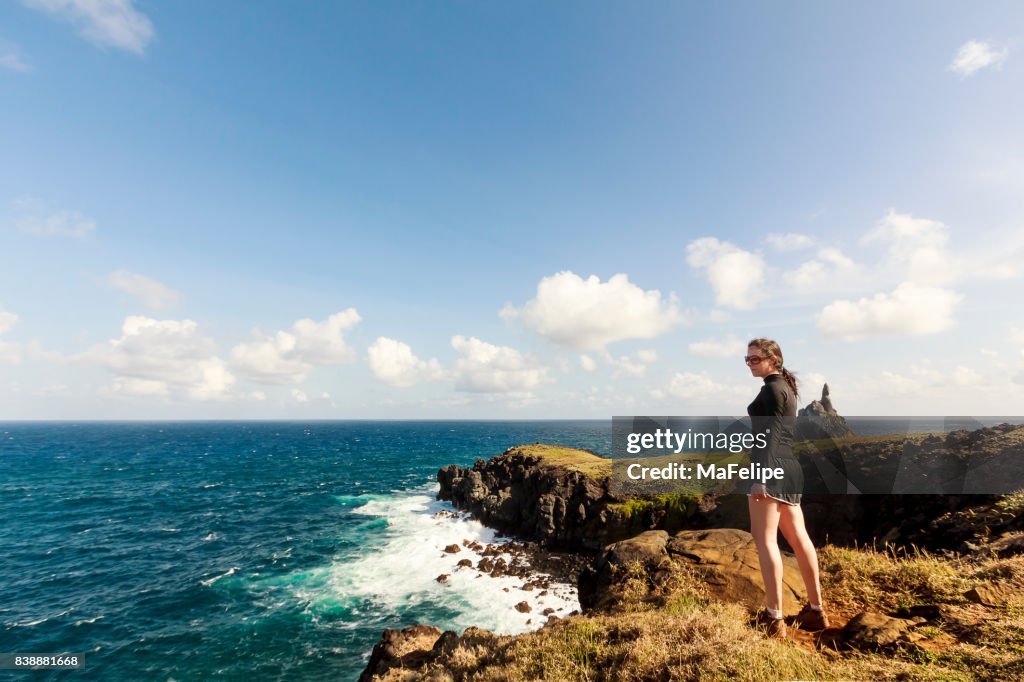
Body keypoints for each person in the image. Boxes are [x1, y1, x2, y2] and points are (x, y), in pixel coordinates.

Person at [744, 338, 829, 639]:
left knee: (766, 540)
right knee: (799, 538)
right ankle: (816, 610)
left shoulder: (770, 390)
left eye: (756, 359)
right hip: (790, 468)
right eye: (747, 359)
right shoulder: (787, 389)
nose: (750, 363)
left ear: (773, 359)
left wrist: (760, 477)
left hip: (769, 468)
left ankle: (774, 618)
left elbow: (768, 436)